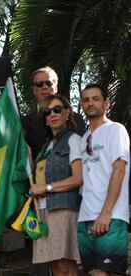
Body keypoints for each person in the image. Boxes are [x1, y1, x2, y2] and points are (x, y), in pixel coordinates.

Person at [77, 84, 130, 275]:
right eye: (85, 99)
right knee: (92, 272)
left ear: (106, 103)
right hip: (86, 217)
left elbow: (119, 171)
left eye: (95, 98)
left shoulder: (116, 130)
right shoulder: (84, 139)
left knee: (105, 273)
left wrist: (106, 212)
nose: (90, 103)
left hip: (110, 215)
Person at [30, 95, 82, 276]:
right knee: (56, 266)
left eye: (57, 109)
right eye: (47, 111)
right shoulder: (46, 146)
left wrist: (46, 188)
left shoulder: (73, 139)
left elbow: (78, 179)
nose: (52, 114)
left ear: (67, 112)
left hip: (63, 209)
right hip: (44, 211)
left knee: (65, 266)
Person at [22, 66, 86, 160]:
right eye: (39, 84)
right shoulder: (24, 123)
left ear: (55, 87)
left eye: (49, 83)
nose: (44, 87)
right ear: (34, 90)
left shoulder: (76, 118)